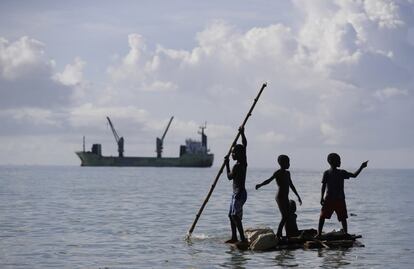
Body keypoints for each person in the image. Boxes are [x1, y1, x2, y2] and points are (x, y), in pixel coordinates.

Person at [317, 153, 368, 237]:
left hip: (339, 198)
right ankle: (319, 233)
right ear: (331, 161)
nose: (340, 162)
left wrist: (361, 167)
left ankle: (345, 233)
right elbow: (323, 186)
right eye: (338, 160)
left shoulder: (341, 172)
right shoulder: (327, 173)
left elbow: (354, 175)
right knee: (322, 216)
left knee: (343, 217)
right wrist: (321, 198)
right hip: (329, 198)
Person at [255, 155, 302, 238]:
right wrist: (260, 185)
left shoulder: (288, 173)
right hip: (280, 197)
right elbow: (268, 181)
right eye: (287, 162)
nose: (289, 164)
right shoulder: (278, 173)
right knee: (285, 216)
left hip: (285, 197)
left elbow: (291, 185)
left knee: (287, 216)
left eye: (289, 162)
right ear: (281, 163)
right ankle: (278, 234)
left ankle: (287, 233)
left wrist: (298, 196)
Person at [224, 127, 248, 243]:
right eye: (232, 152)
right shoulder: (243, 162)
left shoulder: (238, 165)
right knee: (231, 215)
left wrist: (226, 164)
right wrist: (242, 134)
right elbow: (245, 145)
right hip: (236, 194)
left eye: (234, 152)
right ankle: (234, 237)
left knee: (235, 216)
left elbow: (229, 177)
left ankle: (242, 238)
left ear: (239, 154)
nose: (232, 154)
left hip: (239, 194)